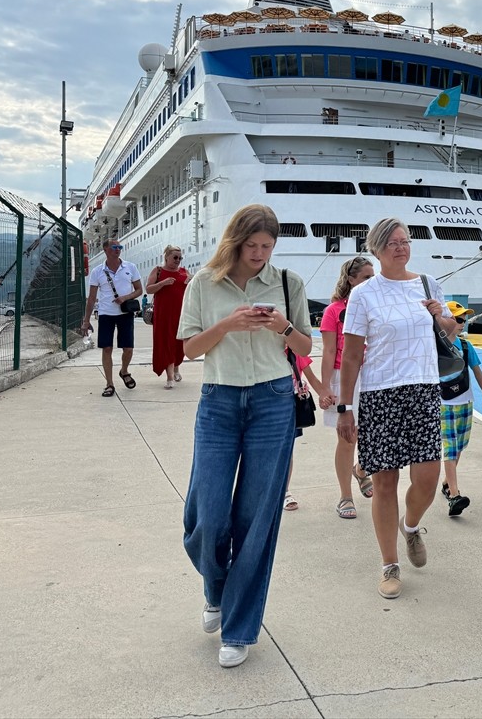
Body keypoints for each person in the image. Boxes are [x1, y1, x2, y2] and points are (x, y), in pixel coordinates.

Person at [177, 204, 312, 669]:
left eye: (266, 246)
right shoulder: (203, 283)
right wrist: (227, 325)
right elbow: (189, 350)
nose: (258, 254)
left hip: (272, 402)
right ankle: (217, 588)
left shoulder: (288, 283)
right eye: (251, 245)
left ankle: (239, 628)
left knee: (257, 519)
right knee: (206, 514)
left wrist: (283, 326)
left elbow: (306, 346)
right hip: (218, 400)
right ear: (235, 242)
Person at [337, 218, 457, 599]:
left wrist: (440, 316)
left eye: (405, 241)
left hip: (423, 390)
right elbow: (352, 355)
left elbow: (450, 332)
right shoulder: (364, 294)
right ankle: (389, 564)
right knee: (385, 482)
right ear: (376, 249)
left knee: (427, 479)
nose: (401, 248)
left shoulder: (428, 283)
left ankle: (411, 525)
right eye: (392, 243)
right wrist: (344, 407)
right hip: (380, 394)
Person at [319, 256, 376, 519]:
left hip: (373, 375)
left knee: (373, 434)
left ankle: (361, 470)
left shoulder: (376, 306)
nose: (371, 282)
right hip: (344, 375)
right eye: (366, 277)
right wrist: (325, 388)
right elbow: (329, 351)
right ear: (351, 280)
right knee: (348, 438)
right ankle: (345, 496)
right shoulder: (333, 311)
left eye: (373, 277)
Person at [438, 302, 482, 517]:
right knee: (450, 447)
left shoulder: (464, 346)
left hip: (465, 401)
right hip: (444, 403)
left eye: (464, 319)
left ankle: (447, 482)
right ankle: (454, 494)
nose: (463, 323)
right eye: (458, 319)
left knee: (460, 445)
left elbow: (478, 372)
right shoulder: (436, 345)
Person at [79, 238, 143, 397]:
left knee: (128, 349)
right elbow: (91, 298)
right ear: (106, 250)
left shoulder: (130, 267)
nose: (118, 249)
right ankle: (109, 384)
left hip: (125, 313)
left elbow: (139, 290)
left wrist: (125, 297)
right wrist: (86, 321)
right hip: (106, 313)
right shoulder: (97, 272)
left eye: (119, 246)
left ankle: (124, 371)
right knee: (107, 348)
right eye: (114, 247)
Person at [282, 352, 333, 512]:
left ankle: (284, 490)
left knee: (286, 451)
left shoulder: (294, 350)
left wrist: (324, 394)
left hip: (290, 407)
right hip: (264, 407)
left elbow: (311, 377)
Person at [148, 244, 192, 389]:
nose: (178, 260)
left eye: (180, 258)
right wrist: (163, 283)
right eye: (175, 257)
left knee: (179, 343)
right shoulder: (158, 271)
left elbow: (194, 290)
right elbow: (149, 289)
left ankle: (176, 369)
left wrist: (191, 281)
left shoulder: (185, 272)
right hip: (164, 314)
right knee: (166, 343)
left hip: (181, 313)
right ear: (166, 257)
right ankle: (170, 377)